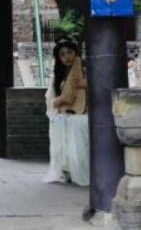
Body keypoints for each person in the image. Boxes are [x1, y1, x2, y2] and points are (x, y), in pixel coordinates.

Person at [43, 38, 89, 187]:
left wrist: (88, 84)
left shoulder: (85, 71)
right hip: (65, 113)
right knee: (59, 121)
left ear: (76, 53)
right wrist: (59, 101)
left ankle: (79, 170)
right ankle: (65, 170)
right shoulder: (58, 77)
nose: (67, 57)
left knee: (76, 124)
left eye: (70, 52)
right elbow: (52, 100)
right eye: (62, 55)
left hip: (84, 114)